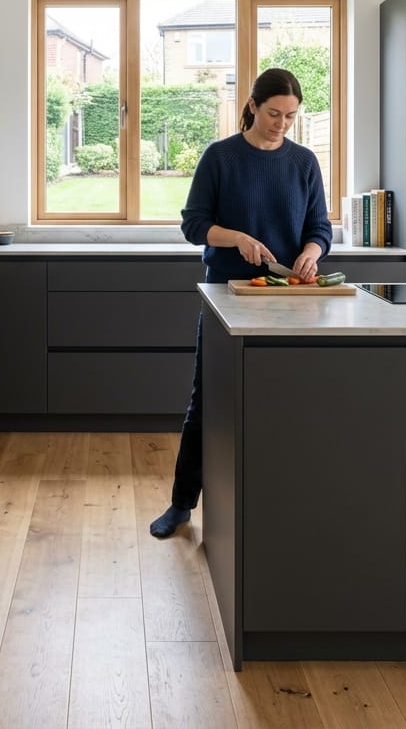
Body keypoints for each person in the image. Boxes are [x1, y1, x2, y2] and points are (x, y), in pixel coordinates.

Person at [149, 67, 333, 539]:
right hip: (227, 296)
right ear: (252, 106)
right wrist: (237, 239)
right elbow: (193, 225)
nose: (282, 124)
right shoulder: (220, 157)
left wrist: (311, 253)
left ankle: (282, 501)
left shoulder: (304, 162)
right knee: (207, 400)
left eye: (291, 116)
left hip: (290, 299)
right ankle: (181, 504)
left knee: (287, 403)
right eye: (274, 113)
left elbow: (319, 230)